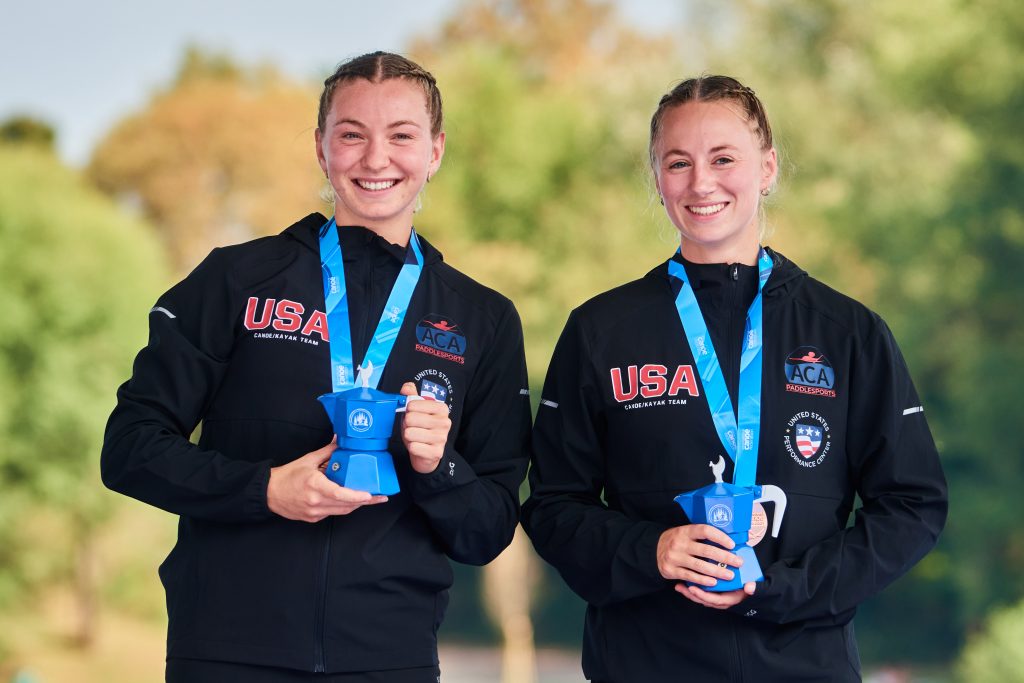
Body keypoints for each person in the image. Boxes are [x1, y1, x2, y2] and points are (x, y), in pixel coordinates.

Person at [101, 51, 531, 682]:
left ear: (435, 151)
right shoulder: (237, 279)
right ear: (321, 149)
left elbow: (487, 531)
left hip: (390, 659)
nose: (375, 158)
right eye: (351, 134)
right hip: (225, 651)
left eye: (401, 136)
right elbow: (129, 449)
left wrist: (438, 464)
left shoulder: (483, 318)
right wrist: (264, 490)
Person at [521, 75, 947, 682]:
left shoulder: (848, 333)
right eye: (678, 162)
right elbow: (554, 506)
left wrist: (785, 588)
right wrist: (653, 551)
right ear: (657, 178)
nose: (701, 183)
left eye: (724, 158)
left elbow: (913, 506)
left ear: (767, 167)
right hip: (645, 664)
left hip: (805, 665)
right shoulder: (601, 330)